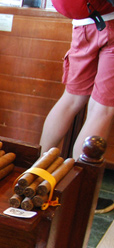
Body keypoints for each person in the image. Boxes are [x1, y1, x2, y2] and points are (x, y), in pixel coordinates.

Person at [39, 0, 114, 161]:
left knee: (71, 99)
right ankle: (80, 180)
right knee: (101, 110)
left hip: (83, 25)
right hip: (111, 21)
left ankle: (35, 168)